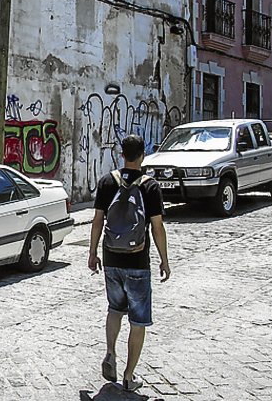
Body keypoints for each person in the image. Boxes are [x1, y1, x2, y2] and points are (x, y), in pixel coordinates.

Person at [88, 134, 170, 392]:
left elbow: (98, 220)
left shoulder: (106, 181)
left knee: (115, 309)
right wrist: (164, 260)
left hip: (111, 257)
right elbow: (157, 226)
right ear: (142, 155)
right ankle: (129, 375)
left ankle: (110, 353)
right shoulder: (150, 186)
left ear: (121, 154)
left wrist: (92, 253)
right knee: (138, 320)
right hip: (137, 261)